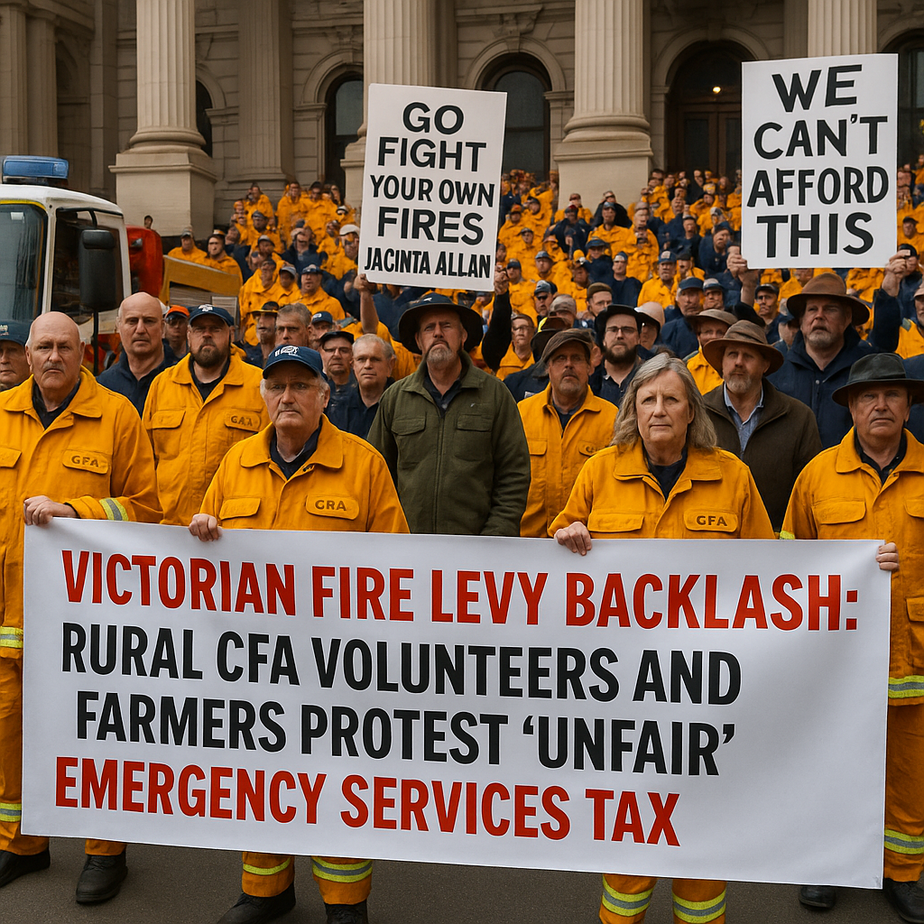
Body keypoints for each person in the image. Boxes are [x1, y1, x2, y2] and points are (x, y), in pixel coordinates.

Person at [552, 352, 774, 924]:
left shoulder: (732, 474)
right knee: (630, 822)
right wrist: (567, 531)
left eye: (672, 399)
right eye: (647, 399)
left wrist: (861, 567)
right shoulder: (600, 470)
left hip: (705, 687)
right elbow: (559, 547)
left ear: (691, 411)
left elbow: (775, 575)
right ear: (633, 409)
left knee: (701, 825)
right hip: (623, 689)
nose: (659, 410)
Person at [190, 344, 407, 924]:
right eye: (276, 386)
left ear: (322, 395)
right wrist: (202, 530)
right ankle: (265, 891)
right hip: (252, 661)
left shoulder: (363, 463)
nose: (287, 397)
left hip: (335, 663)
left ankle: (344, 902)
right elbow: (197, 561)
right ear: (263, 396)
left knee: (336, 781)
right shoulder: (235, 462)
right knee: (260, 776)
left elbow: (398, 564)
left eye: (300, 386)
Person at [0, 313, 160, 902]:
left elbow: (146, 508)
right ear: (29, 353)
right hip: (9, 614)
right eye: (42, 346)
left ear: (84, 351)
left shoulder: (117, 414)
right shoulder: (2, 412)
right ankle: (19, 842)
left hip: (87, 617)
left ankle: (104, 850)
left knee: (95, 731)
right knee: (8, 727)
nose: (52, 357)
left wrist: (78, 511)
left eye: (65, 346)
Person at [782, 353, 924, 924]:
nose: (881, 405)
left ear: (909, 405)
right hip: (836, 662)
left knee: (908, 770)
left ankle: (906, 872)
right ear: (851, 409)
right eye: (869, 397)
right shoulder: (816, 475)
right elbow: (790, 563)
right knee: (832, 762)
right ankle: (827, 863)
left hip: (913, 653)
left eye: (892, 394)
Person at [368, 293, 530, 535]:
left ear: (463, 336)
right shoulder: (395, 398)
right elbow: (376, 473)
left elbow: (514, 474)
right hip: (407, 549)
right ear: (418, 340)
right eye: (428, 328)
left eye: (446, 326)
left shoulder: (496, 394)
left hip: (477, 552)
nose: (437, 333)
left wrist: (496, 536)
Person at [142, 304, 268, 526]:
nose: (207, 335)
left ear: (231, 334)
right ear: (189, 336)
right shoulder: (162, 385)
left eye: (215, 329)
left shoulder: (258, 386)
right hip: (169, 529)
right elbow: (145, 462)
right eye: (200, 329)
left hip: (232, 528)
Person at [702, 320, 821, 531]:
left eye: (748, 356)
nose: (738, 362)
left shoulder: (799, 417)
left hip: (775, 548)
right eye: (732, 354)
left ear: (765, 365)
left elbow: (810, 493)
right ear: (721, 363)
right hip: (709, 543)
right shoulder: (697, 413)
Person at [517, 329, 617, 538]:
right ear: (548, 367)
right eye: (560, 358)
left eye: (577, 359)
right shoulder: (521, 414)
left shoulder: (613, 419)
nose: (569, 364)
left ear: (590, 367)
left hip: (587, 549)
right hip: (526, 546)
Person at [769, 272, 883, 448]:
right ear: (802, 321)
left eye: (830, 309)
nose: (819, 316)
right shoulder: (776, 369)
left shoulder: (867, 368)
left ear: (847, 319)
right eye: (812, 309)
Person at [97, 292, 176, 414]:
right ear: (119, 327)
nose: (140, 330)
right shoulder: (103, 386)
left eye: (149, 321)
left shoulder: (183, 380)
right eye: (132, 321)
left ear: (162, 328)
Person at [327, 334, 395, 438]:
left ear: (390, 365)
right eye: (361, 359)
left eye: (375, 359)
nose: (368, 365)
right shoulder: (338, 407)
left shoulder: (401, 404)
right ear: (353, 365)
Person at [591, 304, 648, 408]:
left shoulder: (652, 377)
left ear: (639, 338)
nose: (619, 335)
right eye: (613, 330)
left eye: (627, 330)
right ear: (604, 339)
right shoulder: (588, 381)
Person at [685, 309, 736, 396]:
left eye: (720, 333)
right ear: (698, 336)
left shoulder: (738, 364)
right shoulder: (686, 366)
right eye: (708, 332)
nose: (714, 337)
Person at [660, 277, 704, 357]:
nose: (688, 300)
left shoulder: (717, 325)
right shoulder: (669, 329)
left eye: (692, 294)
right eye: (683, 294)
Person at [244, 303, 279, 367]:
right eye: (258, 317)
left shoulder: (284, 357)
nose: (261, 321)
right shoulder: (247, 356)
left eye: (267, 317)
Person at [0, 321, 30, 390]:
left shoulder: (44, 398)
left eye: (12, 351)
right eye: (0, 352)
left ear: (29, 356)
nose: (4, 360)